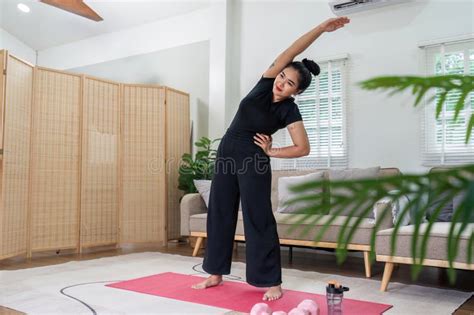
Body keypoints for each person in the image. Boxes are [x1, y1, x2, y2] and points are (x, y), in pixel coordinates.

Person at [192, 16, 350, 301]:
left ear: (297, 92)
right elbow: (290, 52)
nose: (281, 83)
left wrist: (272, 151)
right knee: (219, 212)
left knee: (259, 218)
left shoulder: (289, 111)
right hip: (227, 151)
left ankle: (272, 281)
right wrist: (319, 29)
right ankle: (215, 274)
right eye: (282, 76)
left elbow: (303, 147)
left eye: (289, 83)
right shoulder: (264, 85)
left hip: (254, 159)